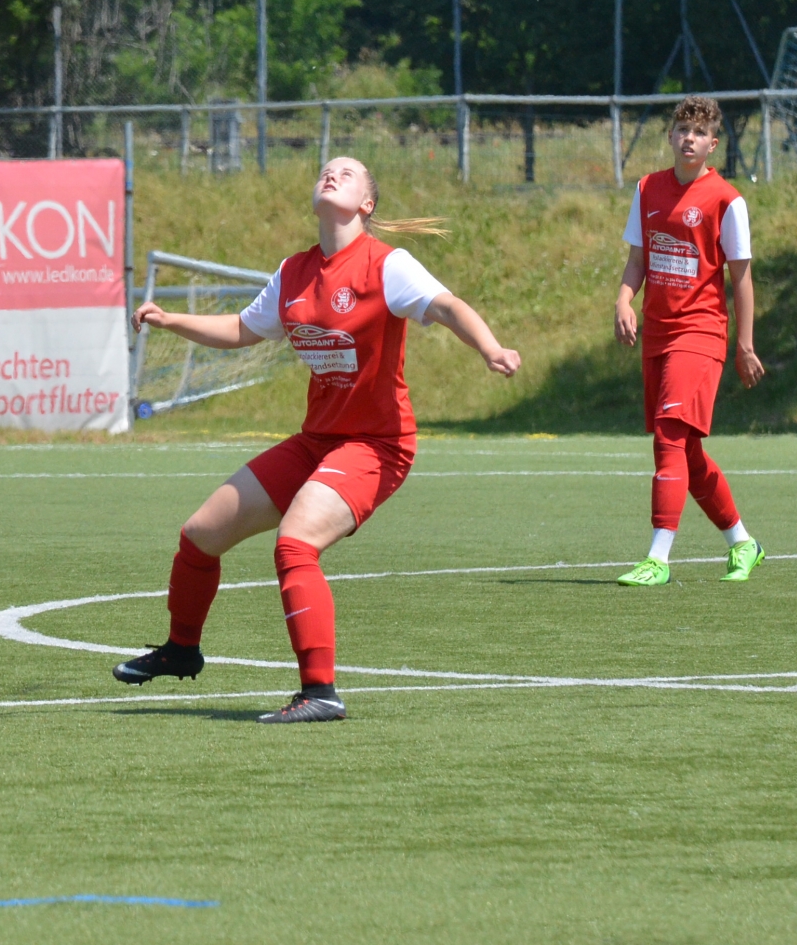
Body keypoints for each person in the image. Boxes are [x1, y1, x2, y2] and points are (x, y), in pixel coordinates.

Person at [111, 157, 520, 723]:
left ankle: (320, 692)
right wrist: (170, 319)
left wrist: (490, 347)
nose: (331, 175)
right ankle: (182, 649)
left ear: (367, 204)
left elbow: (447, 305)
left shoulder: (387, 265)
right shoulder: (294, 272)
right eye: (326, 170)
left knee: (295, 544)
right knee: (200, 535)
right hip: (317, 441)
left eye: (347, 174)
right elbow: (241, 329)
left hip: (377, 445)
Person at [612, 95, 766, 587]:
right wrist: (623, 301)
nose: (689, 139)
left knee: (669, 436)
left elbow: (741, 278)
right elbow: (638, 261)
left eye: (699, 133)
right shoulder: (647, 189)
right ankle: (743, 542)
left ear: (713, 144)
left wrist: (744, 345)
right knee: (688, 452)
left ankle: (658, 557)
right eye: (682, 130)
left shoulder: (726, 200)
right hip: (658, 333)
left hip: (700, 332)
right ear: (671, 136)